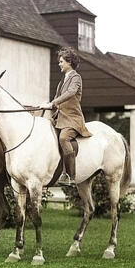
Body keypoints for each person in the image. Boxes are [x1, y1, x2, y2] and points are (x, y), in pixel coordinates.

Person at [41, 48, 92, 185]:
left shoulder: (76, 78)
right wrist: (46, 105)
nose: (59, 64)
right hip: (60, 118)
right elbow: (57, 99)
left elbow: (70, 93)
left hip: (72, 119)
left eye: (61, 61)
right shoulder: (62, 80)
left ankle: (70, 176)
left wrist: (53, 102)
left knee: (63, 138)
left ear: (69, 62)